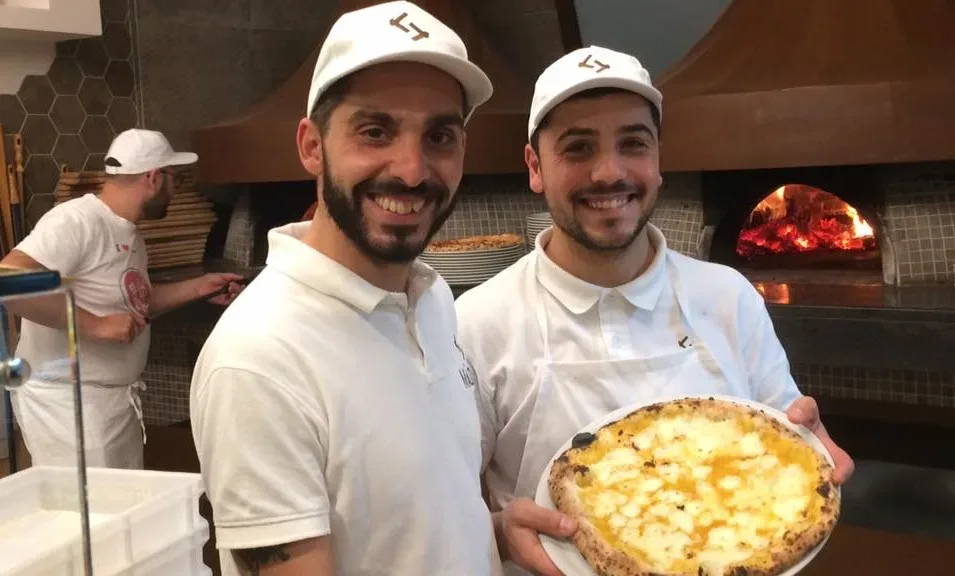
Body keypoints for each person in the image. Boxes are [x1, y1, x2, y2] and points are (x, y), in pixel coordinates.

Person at [455, 46, 856, 576]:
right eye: (577, 149)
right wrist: (500, 534)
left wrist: (811, 438)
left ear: (658, 161)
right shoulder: (475, 321)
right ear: (535, 167)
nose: (609, 172)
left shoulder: (728, 295)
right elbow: (445, 509)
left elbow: (789, 437)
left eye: (633, 144)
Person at [189, 2, 502, 575]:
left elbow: (421, 510)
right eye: (375, 131)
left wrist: (496, 535)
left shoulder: (430, 299)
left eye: (440, 136)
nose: (411, 170)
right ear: (311, 146)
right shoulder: (259, 358)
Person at [1, 128, 243, 470]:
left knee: (123, 514)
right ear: (154, 178)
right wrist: (96, 325)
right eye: (176, 179)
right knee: (87, 520)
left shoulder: (128, 231)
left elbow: (134, 301)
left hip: (112, 405)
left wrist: (200, 287)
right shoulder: (77, 221)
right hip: (69, 408)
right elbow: (9, 282)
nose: (177, 189)